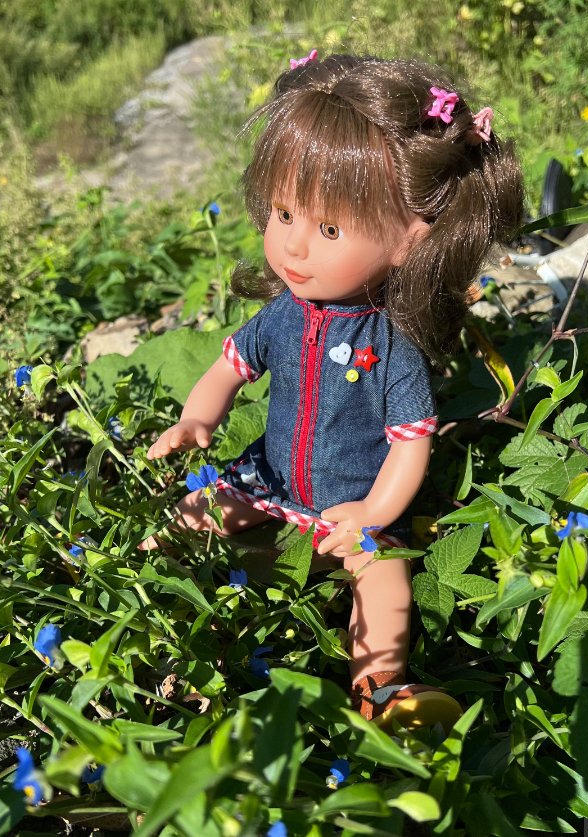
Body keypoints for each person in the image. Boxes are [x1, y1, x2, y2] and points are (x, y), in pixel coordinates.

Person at [145, 51, 524, 727]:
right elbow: (228, 368)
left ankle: (380, 689)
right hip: (269, 472)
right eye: (283, 213)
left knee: (383, 584)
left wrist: (375, 512)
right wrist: (196, 420)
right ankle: (138, 591)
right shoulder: (283, 315)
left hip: (356, 496)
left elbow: (411, 446)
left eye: (327, 229)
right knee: (193, 515)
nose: (294, 248)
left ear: (410, 239)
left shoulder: (391, 343)